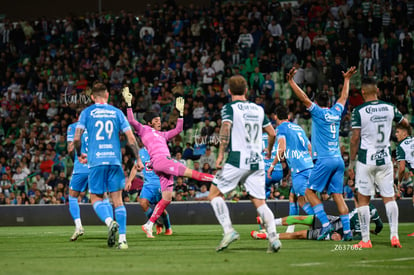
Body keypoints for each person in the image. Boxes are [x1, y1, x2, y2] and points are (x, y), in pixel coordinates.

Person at [122, 87, 215, 238]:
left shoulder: (163, 135)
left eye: (160, 120)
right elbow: (132, 120)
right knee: (192, 173)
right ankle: (216, 179)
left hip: (162, 167)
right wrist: (129, 104)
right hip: (161, 161)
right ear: (150, 122)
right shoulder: (144, 129)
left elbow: (178, 129)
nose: (159, 122)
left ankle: (149, 225)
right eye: (157, 120)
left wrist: (180, 113)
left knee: (166, 199)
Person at [207, 75, 281, 253]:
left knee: (214, 194)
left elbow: (225, 129)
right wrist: (269, 150)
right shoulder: (258, 109)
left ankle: (229, 231)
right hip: (257, 160)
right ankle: (274, 238)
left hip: (238, 158)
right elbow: (272, 133)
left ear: (229, 91)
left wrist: (220, 155)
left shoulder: (229, 108)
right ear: (246, 90)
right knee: (260, 203)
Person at [287, 66, 357, 241]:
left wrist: (291, 82)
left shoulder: (317, 112)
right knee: (338, 196)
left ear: (317, 102)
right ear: (329, 101)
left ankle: (326, 225)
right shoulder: (336, 112)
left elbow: (303, 98)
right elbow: (344, 97)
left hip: (324, 160)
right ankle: (347, 232)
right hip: (338, 160)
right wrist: (346, 80)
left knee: (309, 193)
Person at [74, 82, 143, 250]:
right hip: (114, 161)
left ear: (92, 97)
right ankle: (123, 240)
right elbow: (131, 138)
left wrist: (78, 154)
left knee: (96, 197)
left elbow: (76, 138)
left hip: (96, 161)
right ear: (107, 96)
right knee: (118, 200)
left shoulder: (86, 112)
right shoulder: (117, 112)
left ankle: (109, 222)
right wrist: (138, 159)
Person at [349, 78, 409, 248]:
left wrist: (351, 164)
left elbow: (354, 139)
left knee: (363, 201)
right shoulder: (390, 108)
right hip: (385, 159)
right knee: (389, 198)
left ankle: (366, 240)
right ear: (377, 91)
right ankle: (394, 236)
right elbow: (404, 123)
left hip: (365, 160)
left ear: (362, 92)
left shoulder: (359, 111)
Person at [267, 106, 315, 225]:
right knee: (294, 196)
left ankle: (320, 221)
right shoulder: (298, 127)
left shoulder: (280, 129)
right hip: (309, 165)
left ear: (275, 117)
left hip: (299, 169)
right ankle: (292, 227)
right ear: (288, 116)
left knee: (305, 199)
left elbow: (281, 148)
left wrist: (272, 165)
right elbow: (310, 148)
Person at [251, 203, 383, 241]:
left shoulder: (364, 207)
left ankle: (267, 233)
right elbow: (379, 226)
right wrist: (373, 232)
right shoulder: (371, 209)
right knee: (301, 223)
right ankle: (268, 224)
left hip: (335, 228)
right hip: (334, 221)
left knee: (300, 232)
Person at [125, 146, 172, 236]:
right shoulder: (141, 153)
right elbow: (135, 167)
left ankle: (168, 227)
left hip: (159, 183)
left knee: (160, 209)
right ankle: (156, 223)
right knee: (143, 203)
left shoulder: (160, 151)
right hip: (147, 184)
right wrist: (129, 181)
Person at [395, 123, 414, 232]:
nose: (396, 135)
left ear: (405, 133)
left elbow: (401, 168)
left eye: (398, 132)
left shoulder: (401, 146)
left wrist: (399, 183)